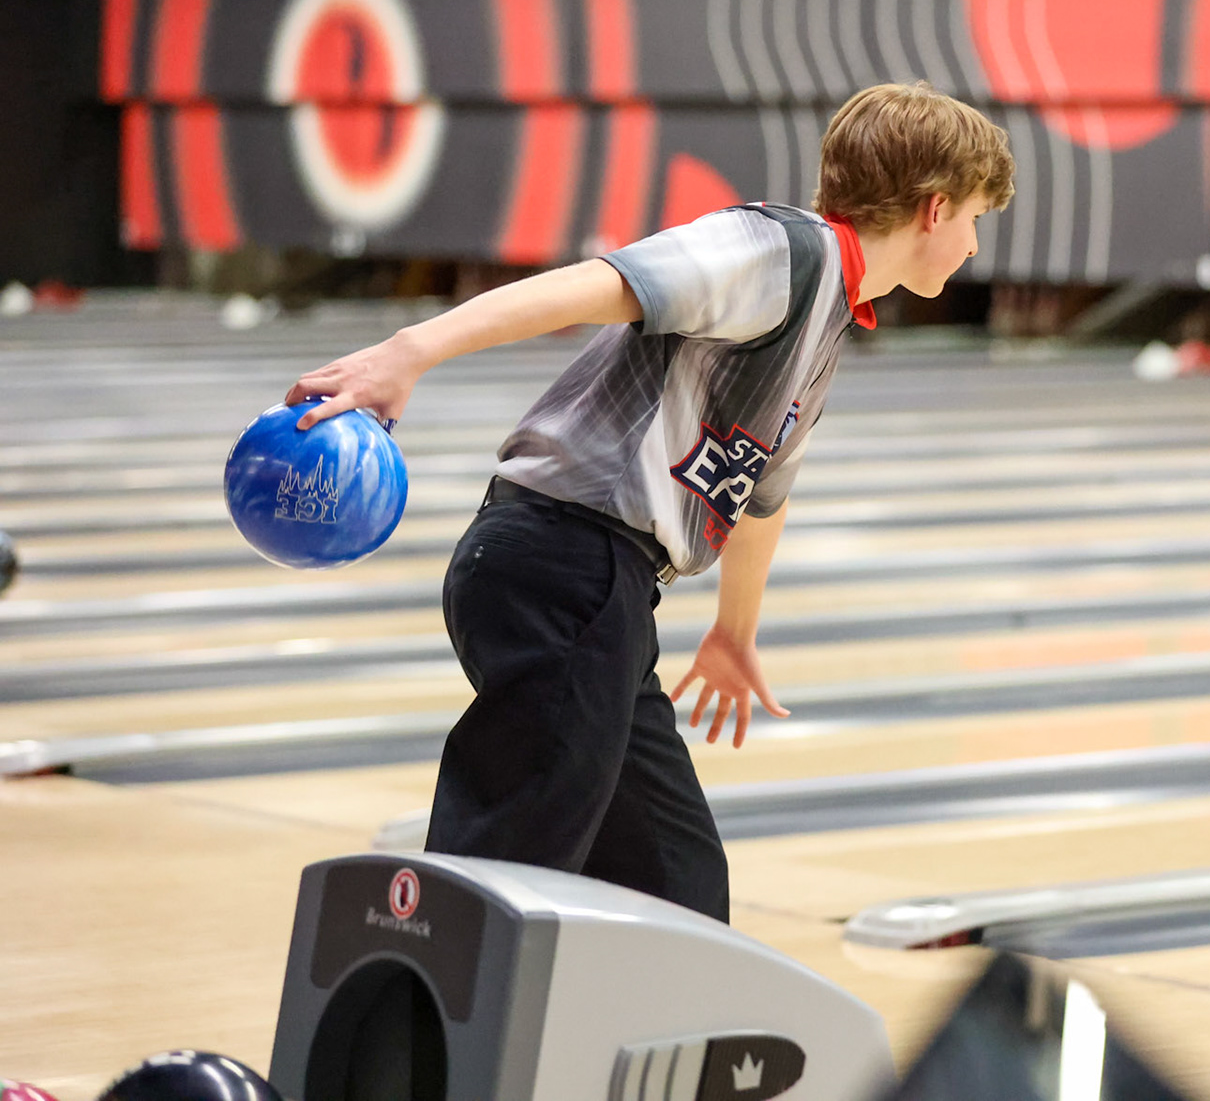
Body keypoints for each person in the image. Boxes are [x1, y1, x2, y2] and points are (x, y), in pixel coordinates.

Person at [283, 82, 1015, 923]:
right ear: (934, 208)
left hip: (603, 593)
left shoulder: (826, 314)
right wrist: (409, 352)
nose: (970, 246)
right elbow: (604, 281)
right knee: (504, 877)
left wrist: (734, 635)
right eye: (974, 219)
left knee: (678, 883)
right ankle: (414, 1044)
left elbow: (763, 497)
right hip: (566, 561)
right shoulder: (776, 254)